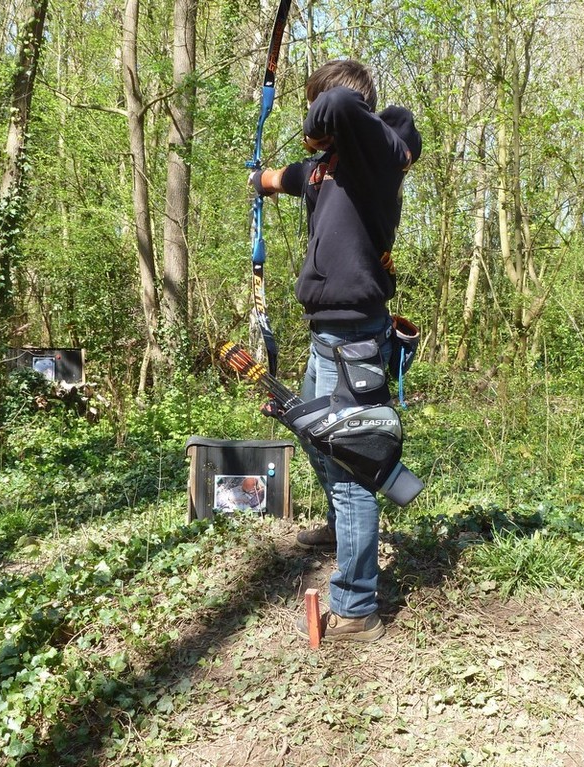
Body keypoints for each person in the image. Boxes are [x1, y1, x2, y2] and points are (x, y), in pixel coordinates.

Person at [249, 59, 422, 643]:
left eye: (312, 112)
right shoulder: (328, 170)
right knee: (313, 436)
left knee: (351, 467)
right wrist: (263, 179)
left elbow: (343, 107)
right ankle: (339, 528)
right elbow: (293, 176)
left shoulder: (376, 153)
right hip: (325, 336)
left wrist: (318, 119)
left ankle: (356, 606)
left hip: (354, 340)